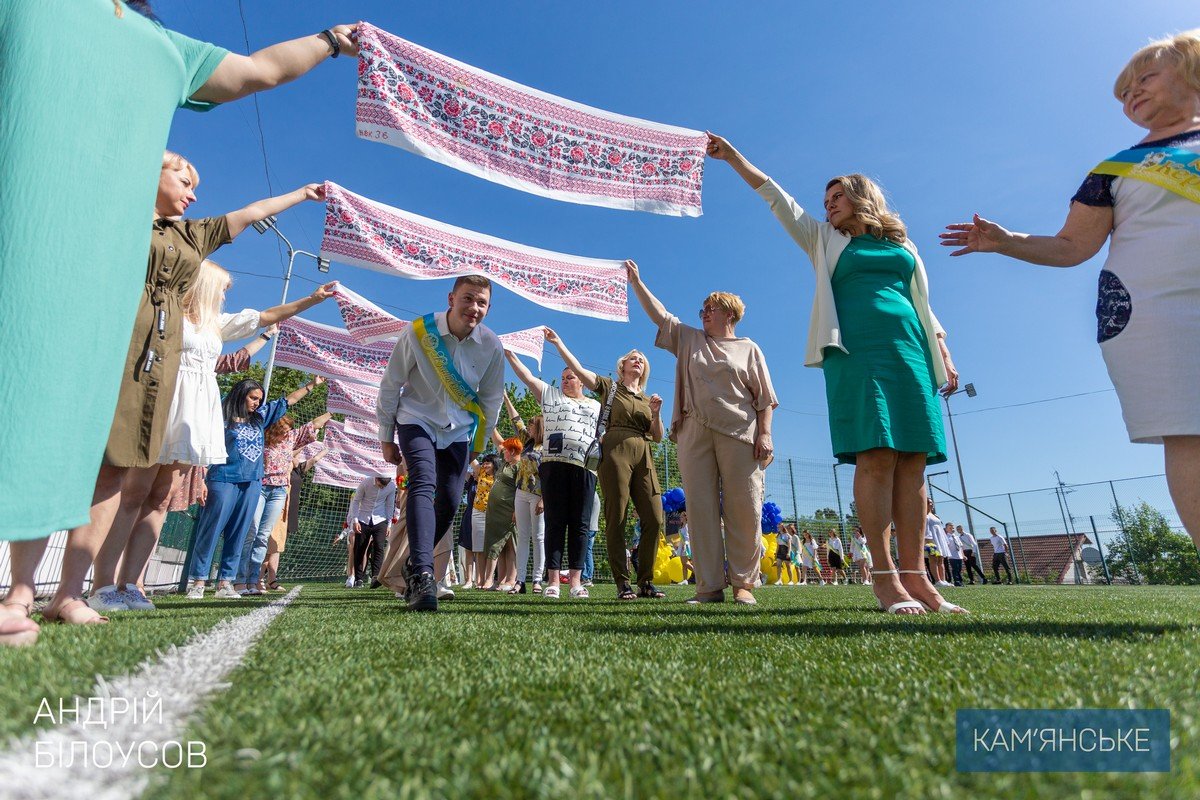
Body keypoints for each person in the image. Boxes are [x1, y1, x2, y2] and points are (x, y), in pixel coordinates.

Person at [1, 2, 359, 641]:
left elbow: (257, 77)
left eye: (194, 178)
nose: (191, 185)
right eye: (180, 173)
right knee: (38, 430)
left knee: (114, 471)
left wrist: (331, 41)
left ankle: (55, 592)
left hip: (144, 359)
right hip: (66, 303)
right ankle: (23, 591)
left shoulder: (185, 235)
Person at [941, 30, 1200, 555]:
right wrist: (1007, 242)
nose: (1133, 96)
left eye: (1144, 79)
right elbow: (1070, 247)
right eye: (1125, 93)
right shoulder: (1115, 168)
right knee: (1190, 433)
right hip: (1153, 316)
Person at [705, 133, 968, 616]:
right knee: (877, 456)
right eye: (824, 202)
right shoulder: (822, 238)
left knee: (914, 462)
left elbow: (922, 303)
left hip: (910, 350)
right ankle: (885, 579)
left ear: (860, 197)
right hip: (858, 353)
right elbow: (774, 196)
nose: (827, 207)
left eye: (836, 198)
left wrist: (943, 352)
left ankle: (919, 578)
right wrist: (733, 157)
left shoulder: (903, 242)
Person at [88, 259, 334, 612]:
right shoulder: (167, 315)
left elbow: (265, 316)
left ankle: (131, 584)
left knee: (160, 498)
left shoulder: (215, 325)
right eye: (221, 288)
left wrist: (311, 300)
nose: (224, 295)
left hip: (193, 414)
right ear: (203, 285)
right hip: (163, 405)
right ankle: (103, 584)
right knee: (134, 493)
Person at [626, 260, 778, 605]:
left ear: (730, 314)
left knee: (744, 507)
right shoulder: (689, 339)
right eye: (702, 309)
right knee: (700, 508)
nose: (704, 313)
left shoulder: (749, 349)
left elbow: (765, 399)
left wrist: (765, 434)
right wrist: (637, 282)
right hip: (694, 430)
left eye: (711, 308)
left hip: (740, 433)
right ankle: (708, 587)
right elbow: (661, 315)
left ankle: (743, 584)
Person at [377, 275, 505, 611]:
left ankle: (412, 561)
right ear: (451, 298)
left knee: (449, 501)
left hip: (458, 431)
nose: (473, 308)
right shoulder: (419, 332)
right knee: (423, 484)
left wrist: (477, 445)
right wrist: (385, 436)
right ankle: (422, 573)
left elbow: (491, 400)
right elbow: (391, 384)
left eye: (482, 303)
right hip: (415, 419)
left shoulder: (492, 345)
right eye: (468, 299)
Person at [544, 329, 667, 601]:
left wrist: (656, 414)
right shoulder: (610, 387)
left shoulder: (648, 400)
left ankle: (645, 581)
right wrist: (558, 342)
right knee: (617, 516)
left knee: (655, 517)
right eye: (633, 358)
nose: (638, 361)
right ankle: (623, 583)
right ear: (621, 366)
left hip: (644, 452)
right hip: (615, 452)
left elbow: (657, 436)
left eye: (642, 360)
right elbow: (577, 369)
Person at [185, 377, 321, 598]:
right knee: (211, 529)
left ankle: (225, 583)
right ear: (241, 394)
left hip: (252, 483)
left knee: (239, 534)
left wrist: (311, 385)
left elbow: (288, 400)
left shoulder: (260, 419)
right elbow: (203, 444)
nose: (257, 402)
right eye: (253, 397)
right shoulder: (221, 415)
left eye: (260, 399)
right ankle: (198, 582)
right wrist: (200, 477)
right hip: (223, 478)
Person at [506, 348, 602, 599]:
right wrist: (510, 355)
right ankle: (553, 582)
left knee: (580, 525)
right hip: (553, 466)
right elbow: (526, 377)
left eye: (570, 377)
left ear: (582, 380)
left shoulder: (595, 405)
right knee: (555, 523)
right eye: (562, 378)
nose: (565, 381)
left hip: (585, 468)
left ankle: (576, 582)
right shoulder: (551, 396)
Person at [234, 398, 333, 595]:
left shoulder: (290, 439)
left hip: (279, 491)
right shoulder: (261, 437)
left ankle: (254, 582)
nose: (287, 433)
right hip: (260, 488)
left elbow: (313, 425)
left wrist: (333, 411)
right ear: (275, 429)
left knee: (263, 536)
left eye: (289, 429)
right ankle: (239, 581)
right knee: (251, 533)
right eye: (284, 429)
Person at [264, 446, 329, 591]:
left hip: (289, 512)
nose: (298, 459)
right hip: (276, 510)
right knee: (268, 546)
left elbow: (315, 459)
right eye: (296, 456)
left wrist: (328, 448)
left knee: (278, 547)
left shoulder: (298, 470)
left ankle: (271, 580)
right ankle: (257, 579)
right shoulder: (279, 468)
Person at [503, 396, 546, 594]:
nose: (528, 429)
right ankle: (520, 581)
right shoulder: (526, 443)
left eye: (531, 426)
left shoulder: (545, 447)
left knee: (538, 537)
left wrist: (544, 499)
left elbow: (550, 475)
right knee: (523, 537)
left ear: (539, 427)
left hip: (538, 496)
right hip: (520, 493)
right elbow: (515, 420)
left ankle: (537, 579)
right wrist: (505, 398)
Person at [481, 435, 523, 593]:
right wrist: (490, 426)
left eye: (506, 450)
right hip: (495, 512)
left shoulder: (519, 466)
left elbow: (521, 489)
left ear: (512, 451)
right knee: (501, 546)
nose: (503, 451)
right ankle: (501, 579)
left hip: (509, 510)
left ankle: (512, 580)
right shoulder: (505, 463)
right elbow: (498, 442)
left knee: (511, 543)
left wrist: (516, 510)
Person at [347, 474, 398, 588]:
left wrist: (389, 524)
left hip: (381, 520)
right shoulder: (366, 483)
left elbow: (390, 505)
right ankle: (358, 579)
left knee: (379, 547)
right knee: (360, 548)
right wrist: (355, 520)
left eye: (385, 486)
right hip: (363, 519)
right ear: (376, 479)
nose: (382, 488)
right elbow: (356, 502)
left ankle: (376, 577)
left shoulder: (391, 487)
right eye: (380, 485)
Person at [924, 500, 952, 588]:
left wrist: (945, 541)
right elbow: (925, 530)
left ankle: (943, 580)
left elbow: (940, 529)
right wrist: (928, 542)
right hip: (931, 541)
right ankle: (937, 580)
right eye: (929, 502)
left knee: (941, 560)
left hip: (940, 541)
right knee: (933, 559)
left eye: (931, 502)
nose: (931, 504)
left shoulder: (935, 516)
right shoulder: (925, 516)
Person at [581, 491, 601, 588]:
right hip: (592, 527)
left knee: (586, 552)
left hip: (589, 527)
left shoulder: (590, 494)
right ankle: (587, 577)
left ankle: (586, 577)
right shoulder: (594, 494)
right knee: (587, 552)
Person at [942, 521, 965, 587]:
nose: (952, 529)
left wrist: (963, 555)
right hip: (952, 556)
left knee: (959, 569)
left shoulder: (956, 537)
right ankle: (957, 582)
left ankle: (960, 581)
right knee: (955, 569)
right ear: (946, 529)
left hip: (959, 556)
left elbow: (960, 547)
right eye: (950, 528)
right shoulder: (946, 537)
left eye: (953, 528)